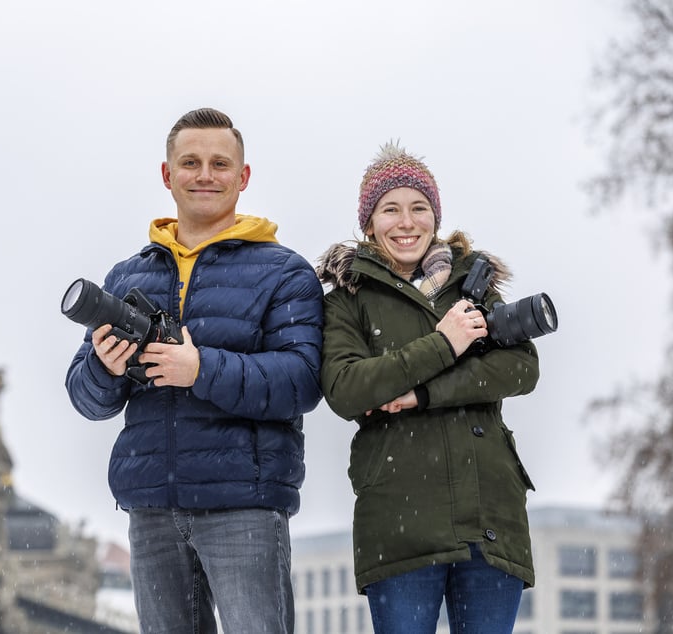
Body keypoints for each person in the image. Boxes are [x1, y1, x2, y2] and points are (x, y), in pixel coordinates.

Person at [64, 107, 324, 633]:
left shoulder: (285, 272)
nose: (205, 175)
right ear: (167, 175)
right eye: (190, 162)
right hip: (152, 508)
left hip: (244, 508)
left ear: (242, 177)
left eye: (219, 164)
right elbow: (84, 397)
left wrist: (199, 368)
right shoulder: (127, 274)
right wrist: (104, 368)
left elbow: (301, 380)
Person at [316, 142, 540, 634]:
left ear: (435, 218)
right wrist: (444, 343)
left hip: (490, 519)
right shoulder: (347, 298)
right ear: (368, 223)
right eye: (390, 209)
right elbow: (347, 388)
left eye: (419, 208)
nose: (406, 222)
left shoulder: (473, 286)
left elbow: (522, 367)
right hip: (399, 523)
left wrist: (422, 394)